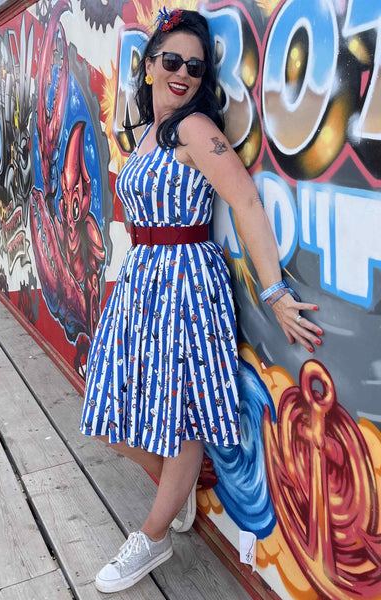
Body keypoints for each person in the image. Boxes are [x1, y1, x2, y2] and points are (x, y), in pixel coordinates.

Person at [80, 7, 323, 594]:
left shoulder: (195, 129)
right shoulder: (142, 135)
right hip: (141, 280)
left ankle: (152, 535)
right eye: (172, 60)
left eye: (194, 64)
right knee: (109, 413)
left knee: (183, 418)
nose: (183, 72)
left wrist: (275, 292)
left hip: (187, 283)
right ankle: (175, 492)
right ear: (149, 66)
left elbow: (244, 202)